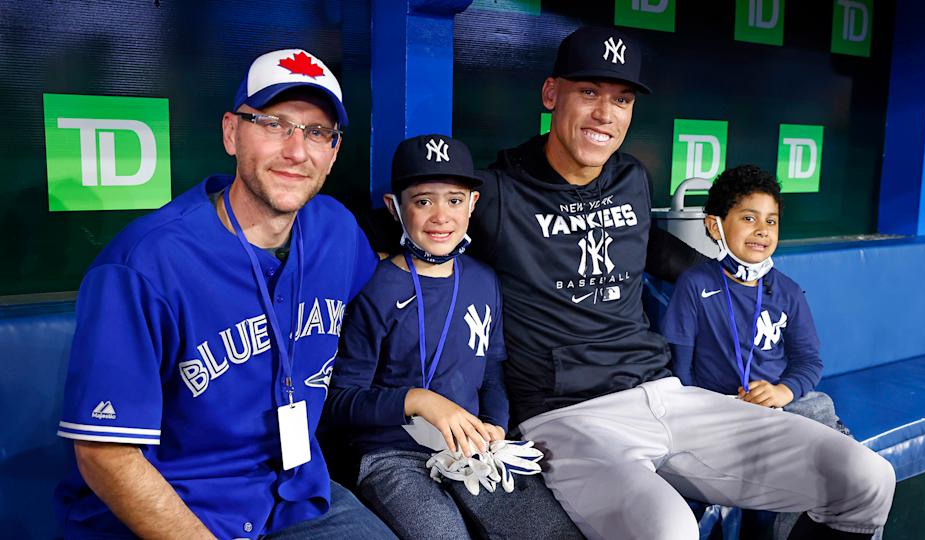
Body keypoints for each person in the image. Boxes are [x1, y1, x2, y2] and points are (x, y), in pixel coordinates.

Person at [465, 26, 895, 539]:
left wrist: (740, 281)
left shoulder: (630, 178)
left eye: (621, 99)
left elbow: (655, 250)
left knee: (866, 479)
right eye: (589, 93)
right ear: (551, 93)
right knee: (670, 531)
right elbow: (411, 229)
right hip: (567, 415)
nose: (606, 114)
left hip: (664, 391)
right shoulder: (494, 194)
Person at [54, 48, 396, 539]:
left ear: (333, 152)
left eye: (317, 132)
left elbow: (383, 290)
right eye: (274, 123)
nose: (297, 151)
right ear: (232, 133)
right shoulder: (145, 263)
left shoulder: (337, 231)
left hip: (295, 494)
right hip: (178, 506)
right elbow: (105, 455)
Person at [324, 134, 583, 540]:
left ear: (472, 205)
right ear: (395, 207)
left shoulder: (483, 279)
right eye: (423, 201)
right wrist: (419, 400)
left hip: (469, 448)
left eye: (455, 200)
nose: (441, 216)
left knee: (549, 533)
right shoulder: (374, 286)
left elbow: (494, 372)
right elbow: (339, 401)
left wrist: (494, 425)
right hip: (391, 453)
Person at [661, 164, 846, 431]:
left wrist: (783, 391)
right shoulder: (695, 284)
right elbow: (680, 366)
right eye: (749, 218)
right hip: (718, 406)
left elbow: (808, 360)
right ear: (715, 227)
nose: (763, 230)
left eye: (771, 221)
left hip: (779, 404)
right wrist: (696, 411)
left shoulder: (789, 292)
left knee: (819, 407)